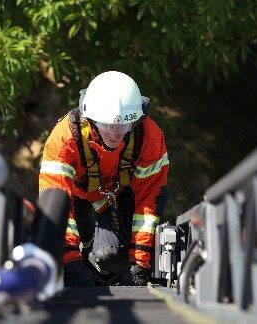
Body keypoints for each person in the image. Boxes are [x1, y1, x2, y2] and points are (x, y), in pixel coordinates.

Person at [38, 71, 169, 286]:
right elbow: (56, 201)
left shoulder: (149, 136)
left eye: (124, 127)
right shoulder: (64, 139)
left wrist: (140, 263)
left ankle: (105, 268)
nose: (115, 134)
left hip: (118, 197)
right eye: (107, 126)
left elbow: (149, 200)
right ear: (90, 118)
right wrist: (69, 262)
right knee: (89, 253)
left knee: (111, 256)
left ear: (136, 119)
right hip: (77, 198)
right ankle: (84, 258)